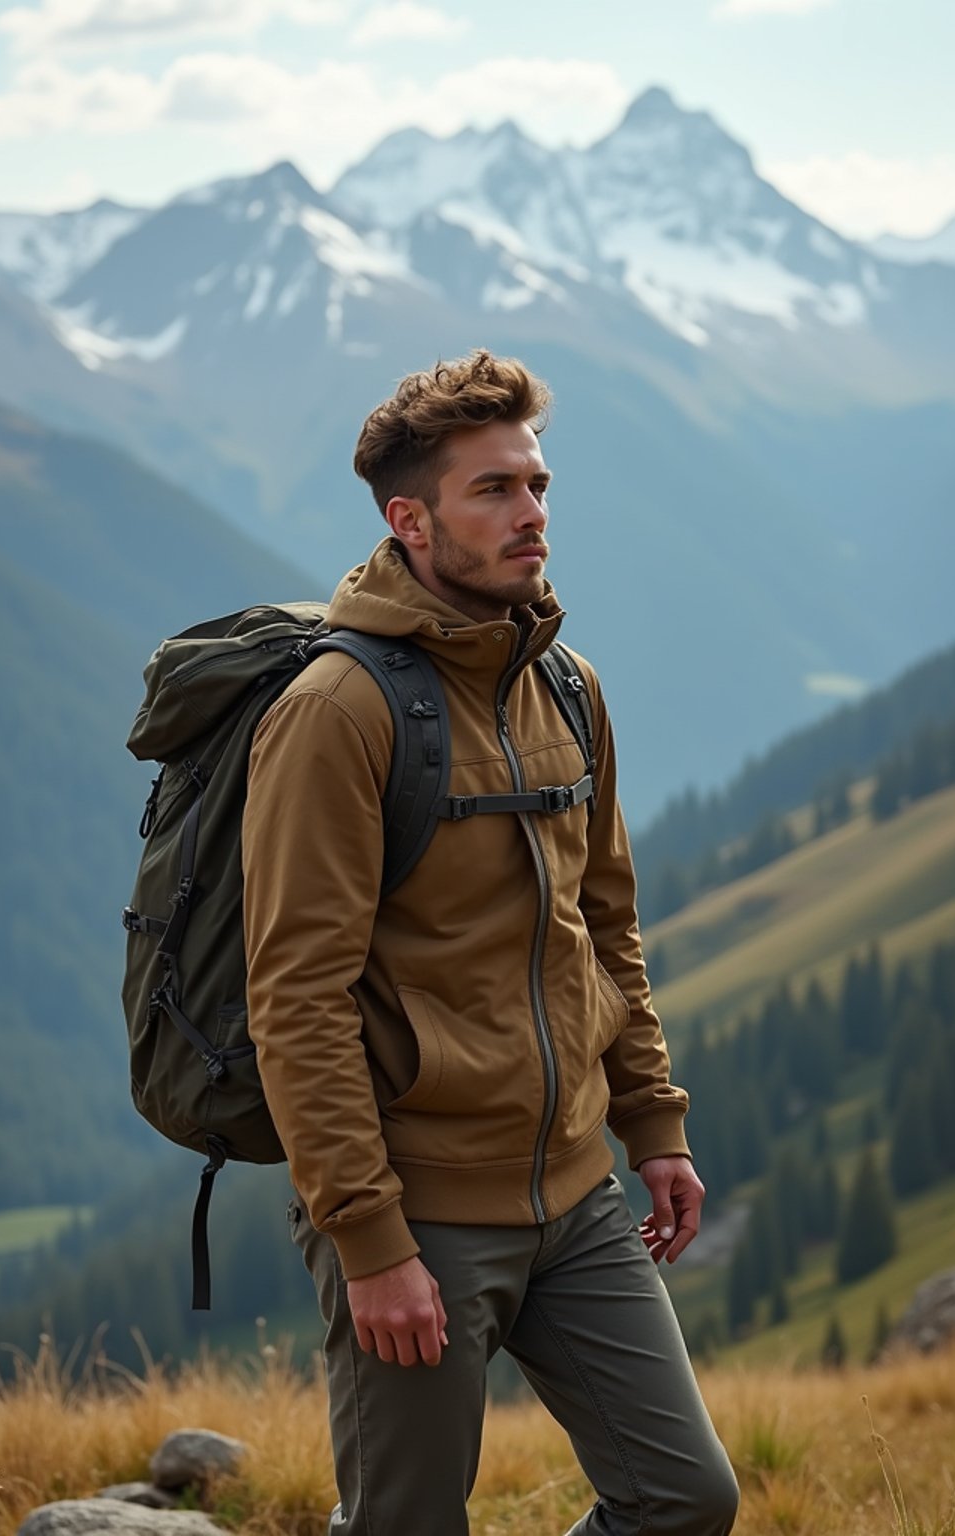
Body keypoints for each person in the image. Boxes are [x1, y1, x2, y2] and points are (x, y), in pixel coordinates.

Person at [242, 351, 739, 1536]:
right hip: (415, 1208)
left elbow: (602, 928)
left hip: (574, 1195)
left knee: (682, 1499)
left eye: (538, 483)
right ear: (410, 521)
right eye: (494, 491)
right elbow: (296, 1000)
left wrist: (650, 1123)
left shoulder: (565, 686)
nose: (532, 516)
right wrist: (369, 1242)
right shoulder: (335, 712)